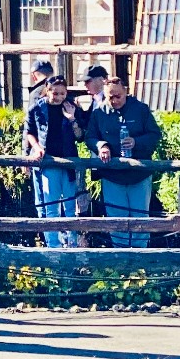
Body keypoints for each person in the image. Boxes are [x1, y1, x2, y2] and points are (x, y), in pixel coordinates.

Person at [82, 75, 163, 246]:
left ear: (125, 92)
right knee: (116, 219)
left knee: (140, 217)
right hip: (112, 175)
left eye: (118, 96)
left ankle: (140, 260)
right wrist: (101, 146)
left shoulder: (141, 109)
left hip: (139, 174)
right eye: (110, 97)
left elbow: (155, 134)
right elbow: (90, 137)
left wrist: (136, 142)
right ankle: (120, 258)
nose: (114, 100)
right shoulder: (99, 113)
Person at [23, 74, 84, 246]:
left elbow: (80, 136)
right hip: (48, 162)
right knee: (51, 205)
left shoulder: (71, 107)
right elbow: (29, 132)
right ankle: (53, 246)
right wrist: (36, 147)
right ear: (47, 91)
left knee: (71, 206)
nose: (58, 97)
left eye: (62, 94)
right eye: (55, 93)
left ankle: (72, 244)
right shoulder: (36, 109)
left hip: (69, 161)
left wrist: (72, 119)